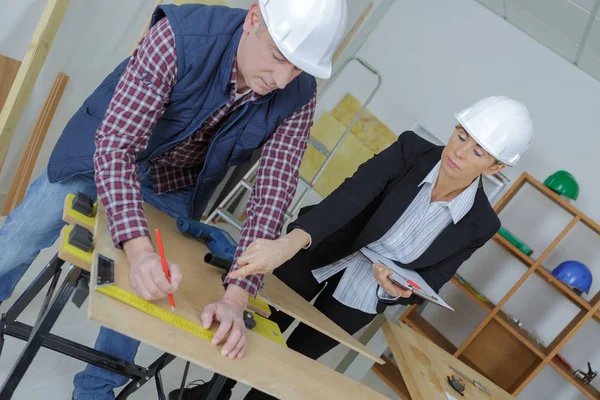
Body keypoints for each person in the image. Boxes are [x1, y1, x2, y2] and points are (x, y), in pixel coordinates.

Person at [0, 1, 348, 399]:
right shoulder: (179, 37)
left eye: (298, 67)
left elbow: (272, 195)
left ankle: (96, 391)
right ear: (254, 19)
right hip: (101, 154)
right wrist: (138, 245)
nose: (283, 79)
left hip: (173, 184)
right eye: (278, 57)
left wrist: (236, 295)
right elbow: (116, 148)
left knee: (148, 291)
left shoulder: (299, 97)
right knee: (21, 236)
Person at [183, 96, 533, 400]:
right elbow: (351, 196)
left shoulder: (482, 223)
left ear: (496, 166)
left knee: (293, 363)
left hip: (364, 295)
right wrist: (290, 243)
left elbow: (434, 278)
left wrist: (398, 290)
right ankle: (211, 393)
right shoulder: (411, 150)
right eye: (461, 135)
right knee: (254, 327)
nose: (458, 151)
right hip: (321, 248)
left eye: (477, 151)